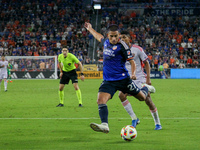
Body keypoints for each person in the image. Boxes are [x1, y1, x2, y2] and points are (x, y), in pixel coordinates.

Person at [84, 22, 155, 133]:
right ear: (108, 35)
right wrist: (90, 29)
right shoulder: (106, 42)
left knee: (142, 98)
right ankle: (105, 125)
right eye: (111, 36)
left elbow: (132, 62)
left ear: (118, 35)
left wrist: (133, 74)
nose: (113, 38)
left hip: (123, 80)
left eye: (116, 36)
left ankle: (145, 87)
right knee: (100, 100)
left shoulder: (123, 46)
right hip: (108, 81)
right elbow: (98, 36)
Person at [119, 30, 162, 130]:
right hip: (127, 79)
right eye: (121, 38)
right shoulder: (120, 50)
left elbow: (146, 63)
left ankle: (158, 123)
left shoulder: (137, 49)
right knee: (121, 95)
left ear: (129, 38)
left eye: (125, 37)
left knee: (148, 101)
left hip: (139, 79)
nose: (123, 39)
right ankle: (134, 118)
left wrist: (148, 78)